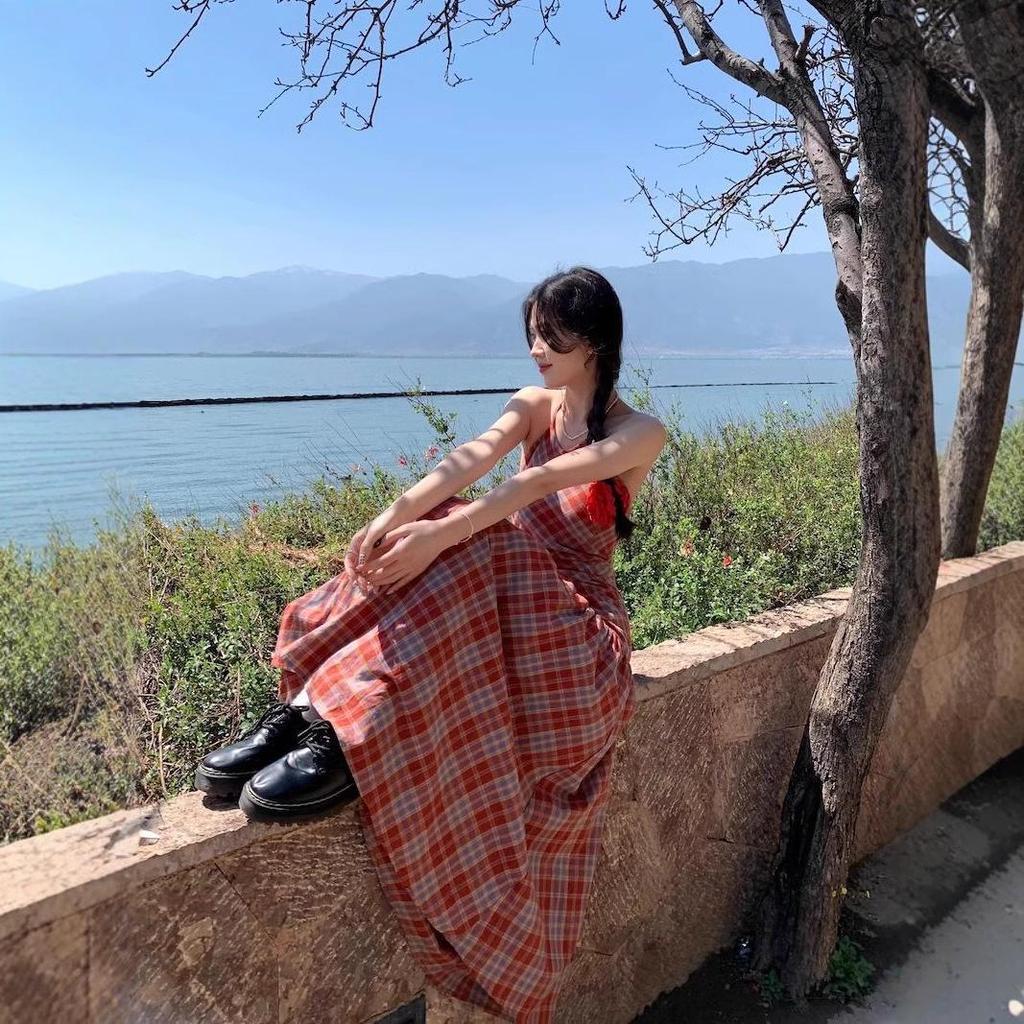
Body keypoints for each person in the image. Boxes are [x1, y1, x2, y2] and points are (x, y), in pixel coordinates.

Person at [195, 265, 668, 1023]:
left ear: (595, 341)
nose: (536, 349)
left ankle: (339, 733)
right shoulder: (532, 405)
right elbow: (473, 459)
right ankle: (317, 711)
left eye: (551, 336)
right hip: (505, 608)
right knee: (453, 522)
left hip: (579, 637)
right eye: (532, 333)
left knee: (482, 536)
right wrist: (390, 519)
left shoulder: (639, 432)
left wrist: (438, 533)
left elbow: (529, 489)